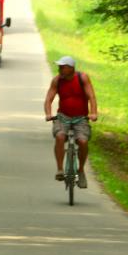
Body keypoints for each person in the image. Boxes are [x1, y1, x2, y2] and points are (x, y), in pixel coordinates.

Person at [43, 55, 98, 188]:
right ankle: (60, 169)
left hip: (81, 118)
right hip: (63, 117)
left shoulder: (82, 78)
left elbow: (91, 97)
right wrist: (48, 114)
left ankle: (81, 170)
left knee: (83, 141)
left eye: (62, 67)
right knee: (60, 136)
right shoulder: (57, 80)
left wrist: (93, 113)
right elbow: (48, 99)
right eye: (59, 67)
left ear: (71, 68)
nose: (59, 69)